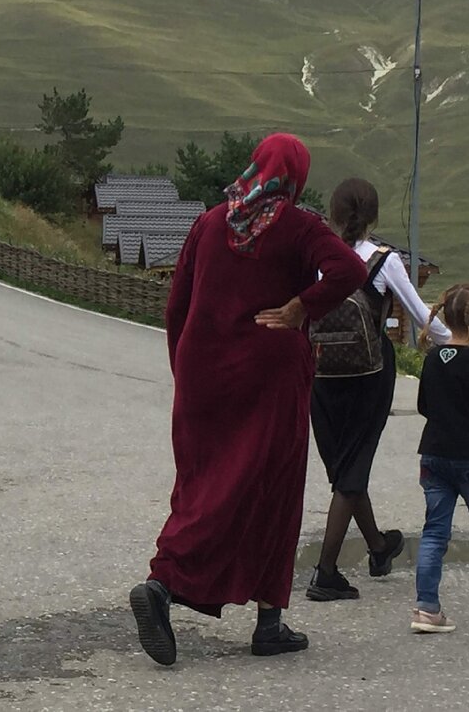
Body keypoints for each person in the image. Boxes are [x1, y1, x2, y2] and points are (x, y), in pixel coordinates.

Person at [129, 134, 366, 666]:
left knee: (204, 484)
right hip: (270, 375)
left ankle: (168, 587)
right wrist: (304, 308)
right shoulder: (301, 226)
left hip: (204, 372)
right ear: (296, 176)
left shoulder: (211, 222)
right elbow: (350, 270)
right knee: (271, 489)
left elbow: (177, 308)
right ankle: (258, 618)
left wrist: (185, 371)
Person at [306, 179, 452, 602]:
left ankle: (378, 547)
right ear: (373, 218)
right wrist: (459, 343)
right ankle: (326, 572)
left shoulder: (317, 257)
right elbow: (420, 315)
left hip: (321, 374)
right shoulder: (384, 262)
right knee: (352, 471)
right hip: (370, 375)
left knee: (344, 469)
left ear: (332, 215)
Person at [410, 284, 469, 633]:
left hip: (434, 453)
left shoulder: (432, 359)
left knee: (434, 531)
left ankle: (427, 608)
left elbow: (424, 405)